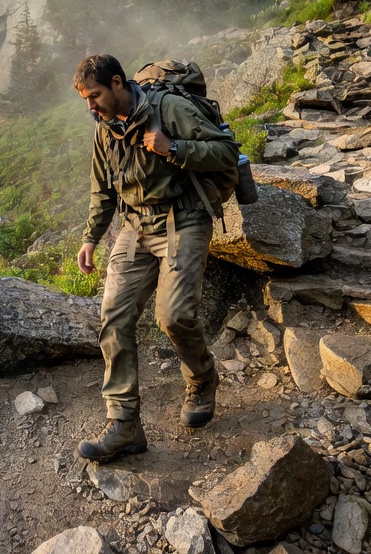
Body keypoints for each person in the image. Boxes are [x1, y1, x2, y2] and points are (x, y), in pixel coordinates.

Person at [72, 54, 239, 462]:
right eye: (85, 100)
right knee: (113, 315)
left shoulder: (169, 109)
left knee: (173, 315)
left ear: (116, 83)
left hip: (183, 219)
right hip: (134, 229)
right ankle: (124, 424)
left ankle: (201, 380)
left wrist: (174, 148)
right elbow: (102, 191)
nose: (90, 107)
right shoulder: (103, 131)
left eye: (94, 96)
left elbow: (227, 153)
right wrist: (90, 238)